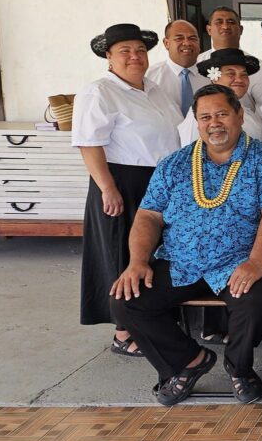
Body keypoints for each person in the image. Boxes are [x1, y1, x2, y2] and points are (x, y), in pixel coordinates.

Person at [109, 85, 262, 406]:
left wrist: (256, 262)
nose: (214, 123)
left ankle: (239, 369)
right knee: (127, 300)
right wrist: (138, 261)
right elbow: (149, 215)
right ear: (196, 122)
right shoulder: (174, 163)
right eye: (205, 117)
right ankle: (187, 361)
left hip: (239, 260)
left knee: (255, 300)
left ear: (239, 115)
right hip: (180, 261)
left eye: (222, 114)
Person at [72, 23, 182, 356]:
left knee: (155, 250)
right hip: (122, 181)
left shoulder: (155, 89)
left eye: (140, 50)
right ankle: (124, 331)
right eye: (125, 51)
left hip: (160, 180)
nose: (134, 56)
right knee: (121, 252)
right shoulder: (99, 92)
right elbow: (89, 143)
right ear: (109, 56)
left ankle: (151, 317)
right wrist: (107, 188)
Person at [179, 49, 262, 144]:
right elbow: (192, 149)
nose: (239, 79)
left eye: (244, 75)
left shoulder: (247, 110)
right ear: (214, 78)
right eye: (231, 74)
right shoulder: (202, 112)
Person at [146, 20, 211, 117]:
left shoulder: (211, 75)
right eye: (179, 38)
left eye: (192, 38)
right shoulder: (149, 76)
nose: (187, 43)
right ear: (166, 43)